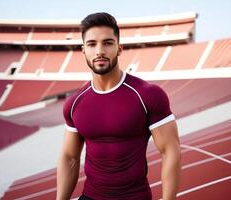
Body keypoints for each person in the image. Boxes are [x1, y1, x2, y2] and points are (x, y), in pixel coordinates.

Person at [56, 12, 181, 200]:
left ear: (119, 48)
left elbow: (170, 150)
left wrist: (168, 198)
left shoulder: (147, 94)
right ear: (83, 50)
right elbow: (70, 157)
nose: (99, 51)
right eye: (92, 44)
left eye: (107, 43)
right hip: (90, 196)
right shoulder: (74, 104)